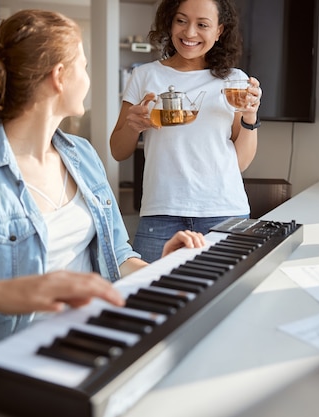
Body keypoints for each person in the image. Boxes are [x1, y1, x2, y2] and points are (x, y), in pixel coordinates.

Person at [0, 9, 204, 413]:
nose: (89, 77)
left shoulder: (82, 156)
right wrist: (5, 293)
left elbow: (118, 259)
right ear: (60, 76)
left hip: (86, 368)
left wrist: (161, 266)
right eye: (84, 65)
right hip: (1, 391)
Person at [110, 0, 262, 263]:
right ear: (170, 23)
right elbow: (118, 151)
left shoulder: (235, 81)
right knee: (151, 296)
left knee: (224, 298)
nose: (190, 33)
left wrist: (250, 116)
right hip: (161, 213)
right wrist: (132, 126)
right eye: (181, 20)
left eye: (202, 24)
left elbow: (240, 162)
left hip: (224, 211)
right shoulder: (145, 75)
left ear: (219, 31)